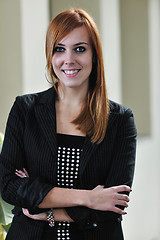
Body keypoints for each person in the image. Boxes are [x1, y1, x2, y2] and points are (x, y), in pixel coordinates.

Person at [0, 8, 137, 240]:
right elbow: (9, 186)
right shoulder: (25, 110)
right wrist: (89, 198)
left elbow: (114, 206)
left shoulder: (120, 120)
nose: (68, 60)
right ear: (50, 55)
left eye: (80, 49)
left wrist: (47, 213)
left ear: (94, 55)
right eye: (59, 49)